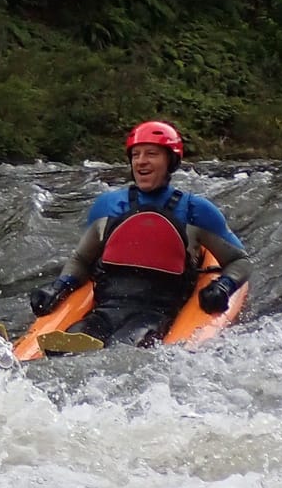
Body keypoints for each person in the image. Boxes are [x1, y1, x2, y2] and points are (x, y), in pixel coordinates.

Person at [27, 120, 251, 348]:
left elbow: (240, 260)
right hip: (106, 309)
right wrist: (59, 286)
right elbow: (82, 260)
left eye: (151, 154)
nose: (141, 161)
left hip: (155, 314)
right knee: (68, 343)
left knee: (126, 345)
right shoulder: (107, 206)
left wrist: (223, 286)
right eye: (135, 155)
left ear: (171, 161)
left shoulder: (196, 211)